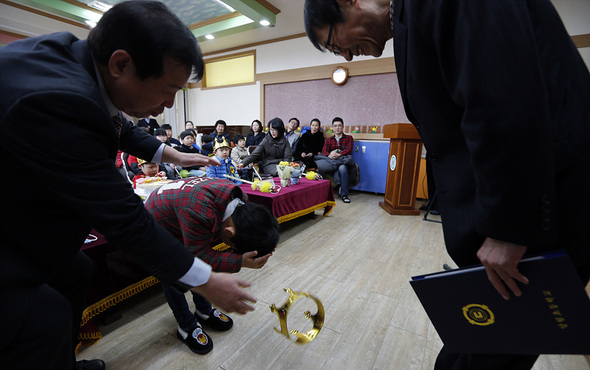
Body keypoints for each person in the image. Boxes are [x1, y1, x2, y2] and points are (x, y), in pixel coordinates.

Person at [303, 0, 590, 368]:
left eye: (333, 43)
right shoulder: (405, 21)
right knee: (481, 344)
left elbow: (501, 93)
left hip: (541, 208)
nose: (345, 55)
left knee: (484, 349)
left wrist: (508, 227)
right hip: (521, 213)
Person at [0, 2, 258, 369]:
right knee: (46, 317)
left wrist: (178, 156)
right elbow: (125, 219)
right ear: (121, 64)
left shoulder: (79, 61)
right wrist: (206, 280)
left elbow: (115, 125)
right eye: (167, 90)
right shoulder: (60, 100)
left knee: (78, 271)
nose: (169, 104)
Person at [144, 177, 278, 355]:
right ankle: (186, 325)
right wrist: (239, 261)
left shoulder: (240, 199)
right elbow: (197, 257)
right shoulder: (198, 212)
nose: (230, 250)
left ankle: (204, 310)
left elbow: (204, 253)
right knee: (174, 274)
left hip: (180, 210)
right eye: (232, 247)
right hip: (155, 224)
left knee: (202, 267)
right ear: (229, 233)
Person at [315, 117, 356, 204]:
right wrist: (329, 155)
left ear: (343, 127)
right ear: (332, 128)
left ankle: (344, 195)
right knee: (321, 166)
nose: (337, 128)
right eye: (335, 126)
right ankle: (323, 193)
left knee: (342, 168)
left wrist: (339, 154)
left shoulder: (349, 138)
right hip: (331, 161)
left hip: (342, 160)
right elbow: (324, 151)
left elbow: (349, 150)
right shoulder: (329, 140)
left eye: (339, 126)